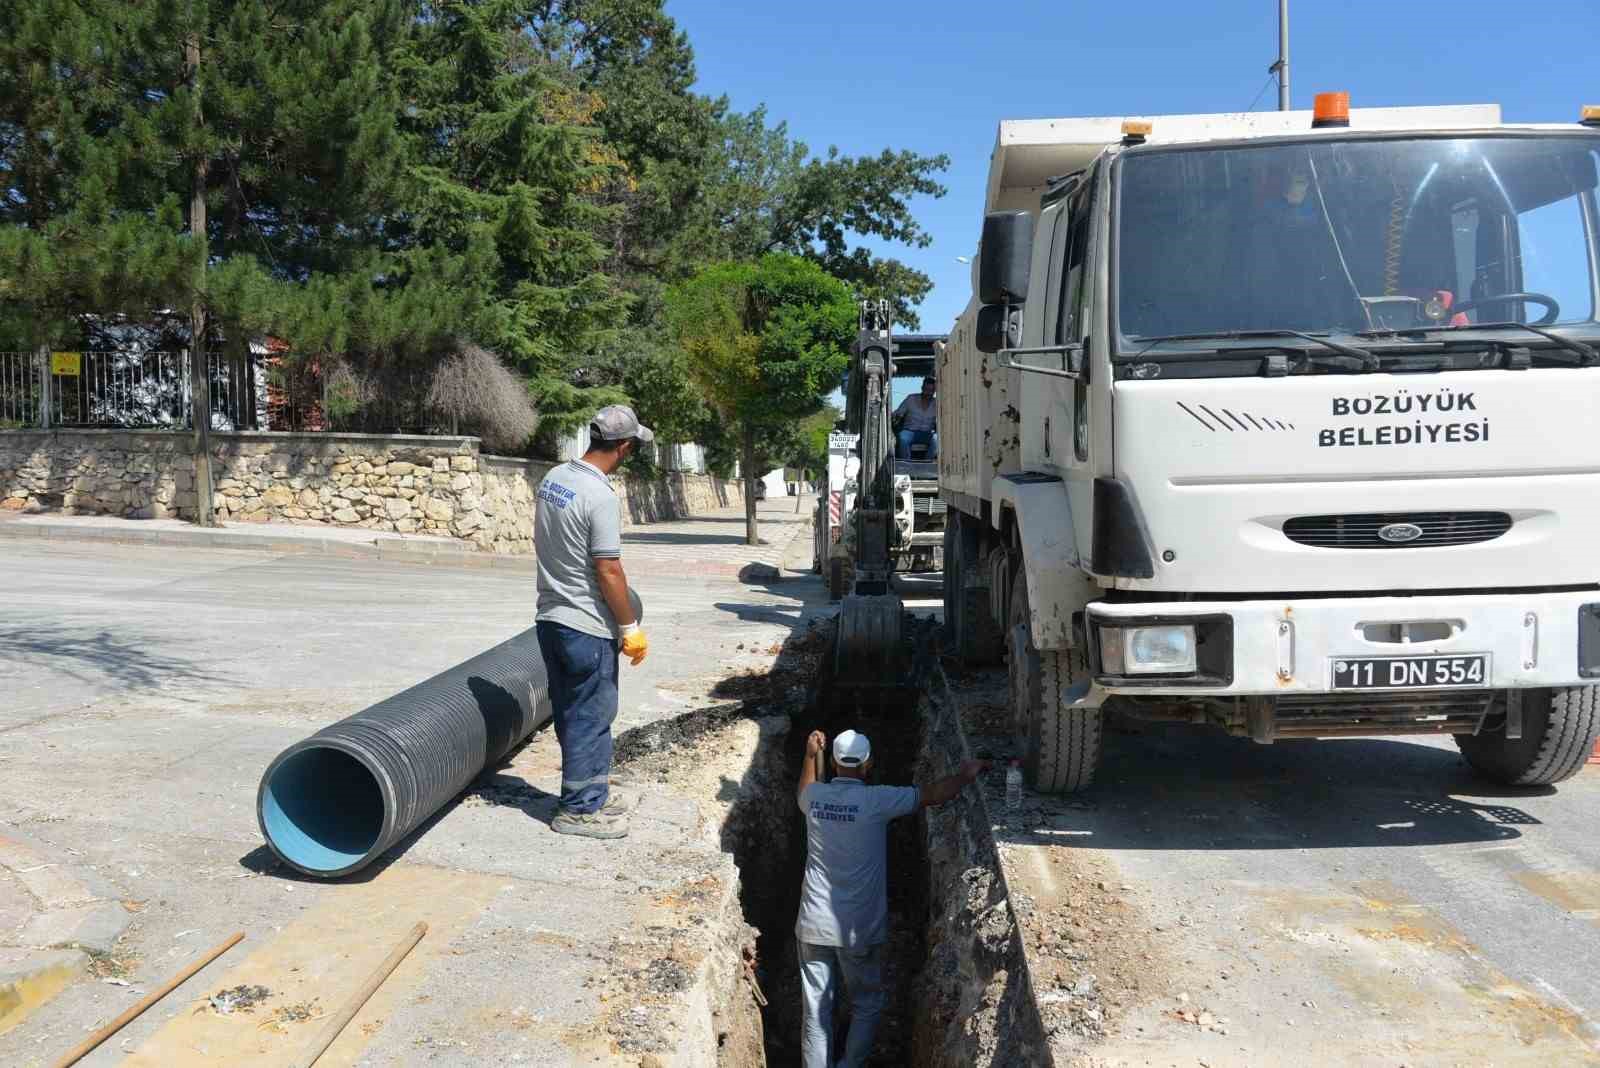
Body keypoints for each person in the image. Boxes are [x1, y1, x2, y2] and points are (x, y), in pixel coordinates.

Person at [794, 729, 985, 1068]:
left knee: (816, 1011)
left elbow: (804, 789)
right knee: (866, 1004)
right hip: (857, 929)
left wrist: (810, 754)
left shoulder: (815, 798)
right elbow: (932, 794)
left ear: (835, 763)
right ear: (868, 764)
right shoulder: (877, 800)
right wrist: (965, 775)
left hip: (812, 925)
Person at [534, 404, 654, 839]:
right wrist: (629, 628)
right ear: (623, 446)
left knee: (570, 712)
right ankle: (580, 811)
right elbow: (609, 570)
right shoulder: (599, 495)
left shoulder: (554, 479)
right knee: (592, 716)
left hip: (551, 618)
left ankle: (591, 792)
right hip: (587, 624)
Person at [892, 377, 937, 460]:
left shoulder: (937, 404)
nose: (928, 393)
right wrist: (897, 418)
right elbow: (898, 413)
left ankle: (927, 462)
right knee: (903, 438)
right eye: (926, 389)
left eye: (931, 391)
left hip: (926, 433)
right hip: (909, 431)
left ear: (934, 391)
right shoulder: (911, 399)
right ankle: (907, 463)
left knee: (937, 439)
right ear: (922, 388)